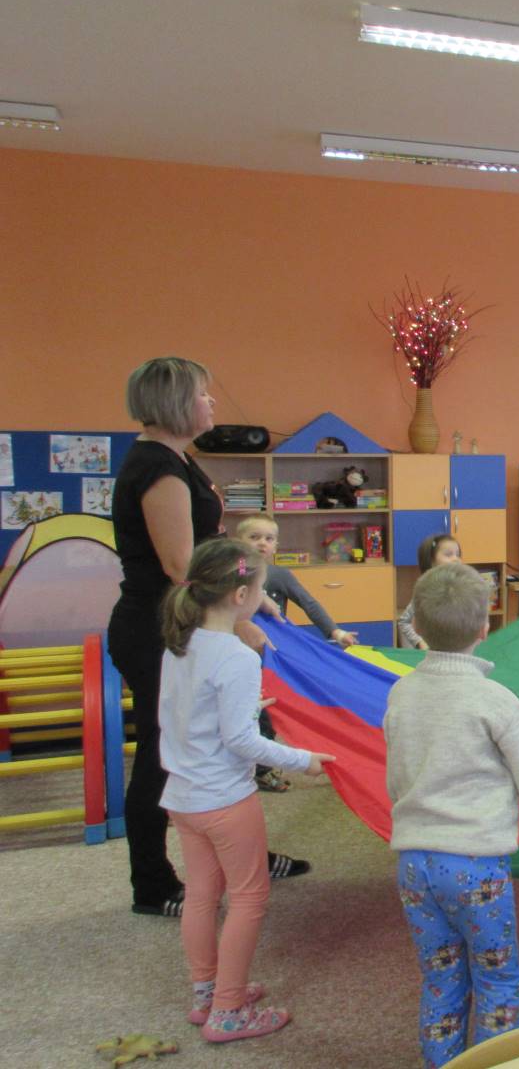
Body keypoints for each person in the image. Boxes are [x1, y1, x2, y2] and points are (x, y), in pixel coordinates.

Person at [385, 562, 519, 1068]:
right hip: (476, 868)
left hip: (415, 865)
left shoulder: (401, 692)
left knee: (440, 977)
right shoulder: (495, 701)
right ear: (486, 627)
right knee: (497, 979)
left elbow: (398, 774)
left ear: (415, 625)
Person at [107, 357, 305, 918]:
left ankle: (243, 854)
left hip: (188, 622)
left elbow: (211, 546)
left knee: (223, 740)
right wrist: (238, 618)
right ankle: (152, 884)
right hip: (160, 630)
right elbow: (181, 565)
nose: (212, 402)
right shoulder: (158, 469)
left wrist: (254, 592)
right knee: (165, 754)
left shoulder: (177, 459)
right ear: (173, 403)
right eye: (202, 393)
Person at [157, 537, 335, 1043]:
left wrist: (247, 707)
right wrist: (302, 760)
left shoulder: (180, 644)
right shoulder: (236, 656)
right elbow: (240, 741)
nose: (264, 598)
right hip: (225, 802)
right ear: (241, 597)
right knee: (249, 897)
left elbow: (190, 714)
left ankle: (206, 993)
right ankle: (229, 1010)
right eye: (261, 590)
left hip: (184, 797)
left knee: (201, 895)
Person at [235, 513, 356, 793]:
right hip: (236, 656)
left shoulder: (279, 575)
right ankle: (239, 763)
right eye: (254, 537)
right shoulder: (233, 573)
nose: (262, 543)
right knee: (240, 710)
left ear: (276, 545)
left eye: (269, 538)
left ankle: (262, 770)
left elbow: (309, 603)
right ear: (237, 542)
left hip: (270, 660)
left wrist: (335, 632)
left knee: (268, 712)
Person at [398, 533, 462, 649]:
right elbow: (404, 622)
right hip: (431, 652)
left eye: (457, 554)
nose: (456, 559)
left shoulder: (462, 588)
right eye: (448, 554)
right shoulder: (425, 591)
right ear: (431, 561)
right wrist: (419, 642)